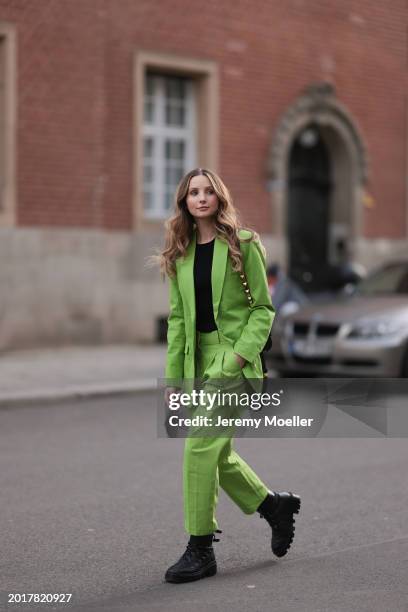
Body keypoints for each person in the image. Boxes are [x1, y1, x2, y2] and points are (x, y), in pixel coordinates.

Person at [159, 168, 301, 584]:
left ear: (219, 197)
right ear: (184, 202)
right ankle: (273, 506)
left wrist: (239, 357)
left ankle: (199, 547)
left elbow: (263, 308)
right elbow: (178, 322)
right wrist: (173, 382)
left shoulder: (243, 243)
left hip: (232, 359)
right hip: (196, 360)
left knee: (198, 449)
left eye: (207, 192)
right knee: (217, 454)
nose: (200, 199)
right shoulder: (180, 252)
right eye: (192, 193)